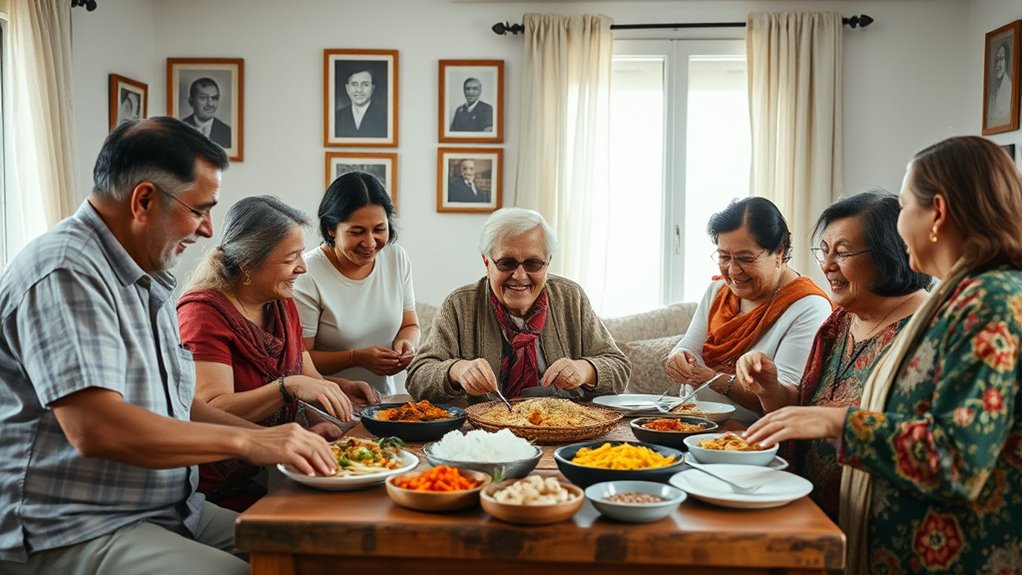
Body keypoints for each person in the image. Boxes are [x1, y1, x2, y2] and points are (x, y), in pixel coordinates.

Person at [0, 117, 336, 574]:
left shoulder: (146, 276)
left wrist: (278, 440)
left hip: (170, 509)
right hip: (77, 525)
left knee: (318, 551)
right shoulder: (67, 271)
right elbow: (96, 428)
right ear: (143, 200)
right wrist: (248, 440)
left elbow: (175, 404)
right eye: (199, 210)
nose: (208, 230)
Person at [745, 136, 1022, 574]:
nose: (899, 227)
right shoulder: (965, 296)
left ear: (938, 213)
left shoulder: (989, 300)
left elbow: (958, 459)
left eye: (906, 205)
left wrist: (837, 421)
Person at [733, 191, 931, 521]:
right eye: (824, 252)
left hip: (877, 526)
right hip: (805, 508)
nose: (826, 266)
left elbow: (926, 447)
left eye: (842, 253)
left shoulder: (927, 330)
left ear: (890, 254)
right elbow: (805, 412)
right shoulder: (839, 322)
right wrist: (770, 389)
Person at [178, 195, 378, 512]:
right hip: (207, 492)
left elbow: (306, 377)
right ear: (247, 263)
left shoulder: (282, 304)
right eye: (290, 259)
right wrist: (288, 387)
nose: (302, 267)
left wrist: (337, 391)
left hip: (263, 476)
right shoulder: (202, 314)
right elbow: (212, 409)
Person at [406, 207, 629, 403]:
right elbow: (418, 375)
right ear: (486, 261)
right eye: (507, 263)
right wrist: (456, 370)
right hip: (484, 432)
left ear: (548, 263)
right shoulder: (459, 305)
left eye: (533, 263)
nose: (520, 276)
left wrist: (585, 370)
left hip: (565, 428)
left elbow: (619, 367)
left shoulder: (571, 298)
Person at [664, 197, 832, 424]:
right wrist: (678, 358)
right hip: (692, 424)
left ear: (779, 252)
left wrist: (714, 379)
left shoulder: (808, 306)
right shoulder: (718, 291)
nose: (733, 271)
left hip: (753, 435)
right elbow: (689, 347)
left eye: (745, 258)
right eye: (724, 257)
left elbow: (785, 399)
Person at [294, 172, 418, 396]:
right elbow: (299, 360)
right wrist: (356, 358)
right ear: (331, 229)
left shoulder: (396, 258)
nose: (370, 242)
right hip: (327, 403)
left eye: (379, 229)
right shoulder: (307, 274)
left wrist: (406, 345)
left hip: (382, 401)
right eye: (357, 232)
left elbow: (410, 325)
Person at [335, 68, 387, 138]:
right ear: (347, 88)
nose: (359, 90)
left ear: (372, 88)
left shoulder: (386, 116)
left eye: (365, 84)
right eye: (354, 84)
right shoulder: (336, 117)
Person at [182, 77, 232, 148]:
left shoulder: (228, 133)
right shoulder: (179, 128)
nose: (210, 104)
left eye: (214, 98)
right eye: (203, 98)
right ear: (191, 101)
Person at [988, 42, 1013, 127]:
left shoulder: (1009, 88)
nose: (997, 64)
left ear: (1007, 61)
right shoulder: (993, 88)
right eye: (997, 60)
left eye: (1001, 58)